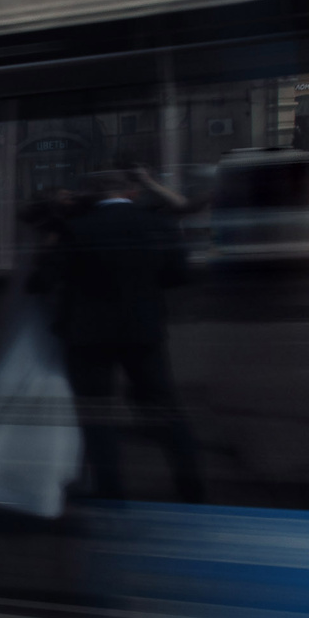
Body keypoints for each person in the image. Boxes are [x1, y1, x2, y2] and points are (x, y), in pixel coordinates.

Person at [31, 165, 205, 502]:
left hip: (87, 335)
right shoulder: (158, 223)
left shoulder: (75, 229)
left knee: (97, 415)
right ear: (132, 193)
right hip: (142, 329)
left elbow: (44, 281)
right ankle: (191, 487)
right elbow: (178, 275)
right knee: (163, 409)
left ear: (93, 196)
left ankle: (111, 492)